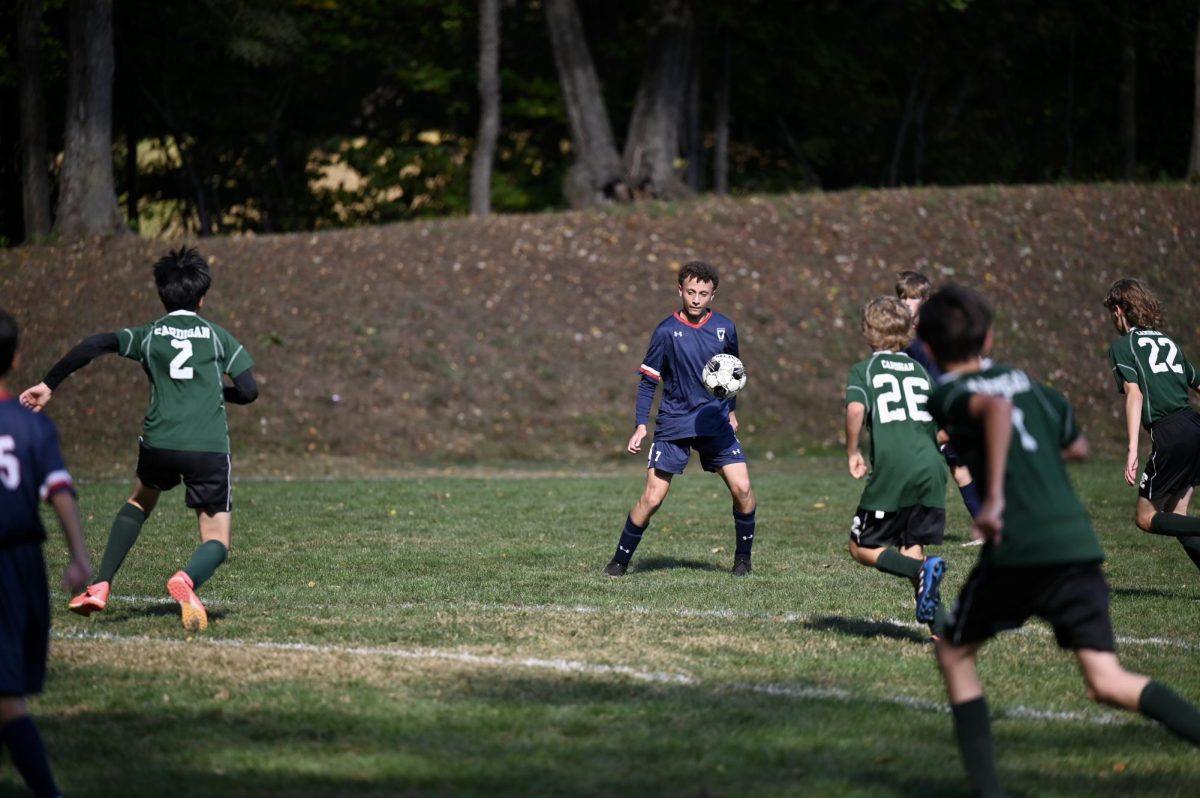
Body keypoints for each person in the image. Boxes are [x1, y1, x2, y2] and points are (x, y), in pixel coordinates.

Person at [920, 284, 1200, 798]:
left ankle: (987, 791)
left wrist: (997, 496)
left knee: (955, 654)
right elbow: (1076, 445)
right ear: (990, 335)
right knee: (1106, 681)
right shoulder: (1027, 382)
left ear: (930, 349)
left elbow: (996, 415)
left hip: (1020, 549)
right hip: (1076, 544)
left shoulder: (947, 393)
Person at [20, 247, 258, 632]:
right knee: (217, 540)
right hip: (208, 448)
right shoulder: (218, 337)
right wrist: (215, 394)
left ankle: (100, 585)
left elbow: (96, 343)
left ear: (162, 294)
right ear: (202, 297)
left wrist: (49, 384)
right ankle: (186, 579)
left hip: (159, 444)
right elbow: (249, 391)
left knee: (140, 500)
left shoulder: (148, 335)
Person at [603, 260, 756, 576]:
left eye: (703, 293)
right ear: (680, 291)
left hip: (714, 420)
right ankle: (619, 562)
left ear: (713, 295)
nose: (696, 299)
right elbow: (648, 380)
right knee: (653, 498)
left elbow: (732, 372)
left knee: (742, 489)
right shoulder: (666, 331)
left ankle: (743, 560)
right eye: (690, 292)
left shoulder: (725, 328)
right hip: (674, 422)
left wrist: (731, 410)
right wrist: (641, 425)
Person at [0, 309, 92, 798]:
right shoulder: (31, 426)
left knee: (6, 698)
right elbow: (58, 487)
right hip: (20, 565)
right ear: (14, 359)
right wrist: (79, 555)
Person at [845, 297, 947, 636]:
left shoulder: (866, 370)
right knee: (913, 547)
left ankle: (917, 572)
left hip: (894, 467)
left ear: (868, 331)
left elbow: (856, 410)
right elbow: (944, 424)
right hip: (932, 466)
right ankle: (942, 628)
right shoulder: (920, 370)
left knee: (861, 547)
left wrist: (852, 452)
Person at [1103, 277, 1200, 570]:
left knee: (1145, 518)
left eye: (1111, 312)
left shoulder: (1124, 346)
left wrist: (1132, 449)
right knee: (1177, 514)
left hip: (1170, 434)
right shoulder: (1168, 342)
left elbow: (1134, 394)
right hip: (1194, 427)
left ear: (1119, 310)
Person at [896, 270, 983, 537]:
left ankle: (988, 527)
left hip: (944, 410)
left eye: (913, 298)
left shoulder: (935, 331)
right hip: (920, 412)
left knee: (960, 468)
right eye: (902, 297)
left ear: (925, 299)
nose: (907, 303)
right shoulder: (899, 334)